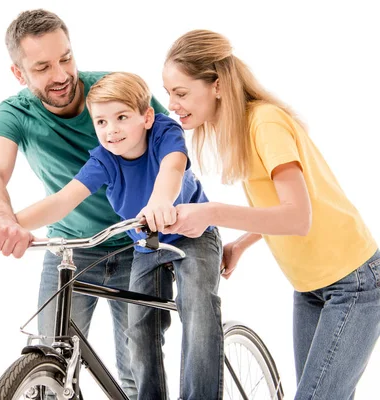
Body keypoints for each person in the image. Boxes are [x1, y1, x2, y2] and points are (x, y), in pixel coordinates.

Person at [160, 29, 380, 400]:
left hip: (352, 282)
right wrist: (243, 243)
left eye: (180, 93)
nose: (172, 104)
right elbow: (279, 206)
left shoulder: (265, 123)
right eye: (169, 93)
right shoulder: (242, 128)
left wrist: (211, 212)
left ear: (216, 84)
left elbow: (298, 217)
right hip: (309, 286)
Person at [0, 10, 168, 398]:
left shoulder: (115, 94)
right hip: (69, 251)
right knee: (50, 366)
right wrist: (1, 219)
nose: (61, 75)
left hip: (136, 245)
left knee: (138, 376)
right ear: (19, 74)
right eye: (42, 67)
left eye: (66, 58)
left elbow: (174, 156)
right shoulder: (15, 113)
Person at [14, 71, 224, 400]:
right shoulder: (105, 159)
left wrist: (159, 204)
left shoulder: (164, 132)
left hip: (192, 234)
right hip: (145, 245)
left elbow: (172, 168)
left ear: (146, 116)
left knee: (197, 306)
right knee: (138, 331)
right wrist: (8, 223)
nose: (111, 130)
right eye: (101, 122)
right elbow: (62, 200)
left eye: (121, 117)